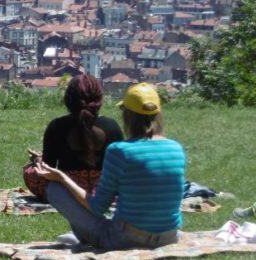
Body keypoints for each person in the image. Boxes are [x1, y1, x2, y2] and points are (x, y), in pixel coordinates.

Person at [33, 83, 186, 251]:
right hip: (169, 237)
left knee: (55, 189)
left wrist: (62, 178)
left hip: (125, 239)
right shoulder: (176, 148)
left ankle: (84, 236)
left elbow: (97, 207)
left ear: (127, 115)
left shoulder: (120, 151)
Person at [23, 75, 124, 199]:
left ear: (68, 100)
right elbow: (120, 167)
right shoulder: (112, 126)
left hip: (67, 190)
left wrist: (37, 160)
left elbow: (47, 169)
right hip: (104, 192)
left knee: (29, 171)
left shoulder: (56, 126)